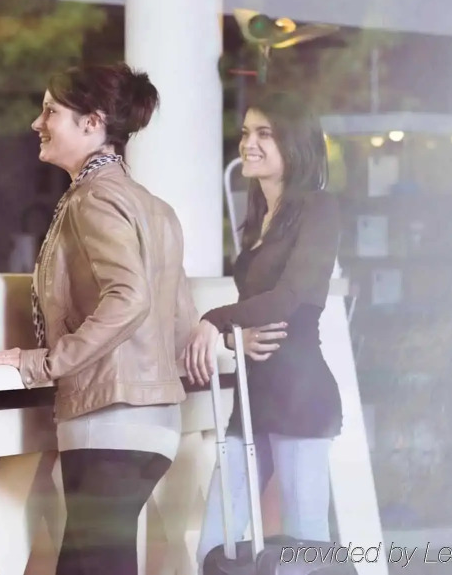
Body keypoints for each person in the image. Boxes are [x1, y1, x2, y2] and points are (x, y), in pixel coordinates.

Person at [0, 62, 198, 575]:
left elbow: (129, 298)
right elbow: (180, 320)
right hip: (154, 424)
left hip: (110, 422)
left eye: (50, 111)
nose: (37, 122)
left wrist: (43, 362)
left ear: (92, 123)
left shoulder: (93, 198)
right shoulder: (154, 206)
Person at [185, 88, 343, 565]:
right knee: (215, 547)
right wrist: (238, 336)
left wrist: (215, 320)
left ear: (293, 143)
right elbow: (255, 308)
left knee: (306, 551)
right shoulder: (260, 219)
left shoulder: (319, 209)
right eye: (246, 133)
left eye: (264, 134)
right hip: (252, 396)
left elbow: (290, 298)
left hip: (298, 393)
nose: (248, 143)